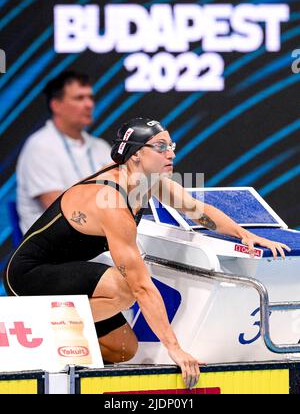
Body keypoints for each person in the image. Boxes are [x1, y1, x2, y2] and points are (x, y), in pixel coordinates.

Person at [4, 118, 291, 389]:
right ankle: (35, 321)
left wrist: (244, 233)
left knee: (124, 349)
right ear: (136, 155)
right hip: (28, 274)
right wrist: (175, 349)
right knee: (125, 288)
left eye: (172, 146)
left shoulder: (148, 182)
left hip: (67, 271)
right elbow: (141, 285)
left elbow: (197, 211)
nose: (171, 154)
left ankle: (49, 349)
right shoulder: (111, 200)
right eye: (161, 147)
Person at [16, 70, 112, 234]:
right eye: (79, 98)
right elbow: (62, 212)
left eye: (90, 97)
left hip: (96, 239)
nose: (89, 104)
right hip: (55, 250)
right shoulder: (40, 147)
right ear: (56, 105)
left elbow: (123, 197)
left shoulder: (101, 147)